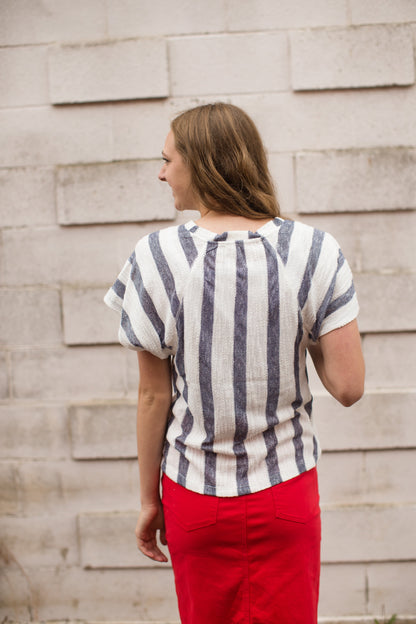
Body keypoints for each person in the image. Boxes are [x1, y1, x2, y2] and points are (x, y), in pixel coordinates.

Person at [104, 102, 365, 624]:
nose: (161, 173)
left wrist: (148, 500)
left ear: (202, 164)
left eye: (167, 160)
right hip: (286, 490)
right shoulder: (314, 251)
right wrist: (300, 316)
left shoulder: (154, 257)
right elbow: (348, 385)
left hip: (192, 495)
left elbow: (153, 396)